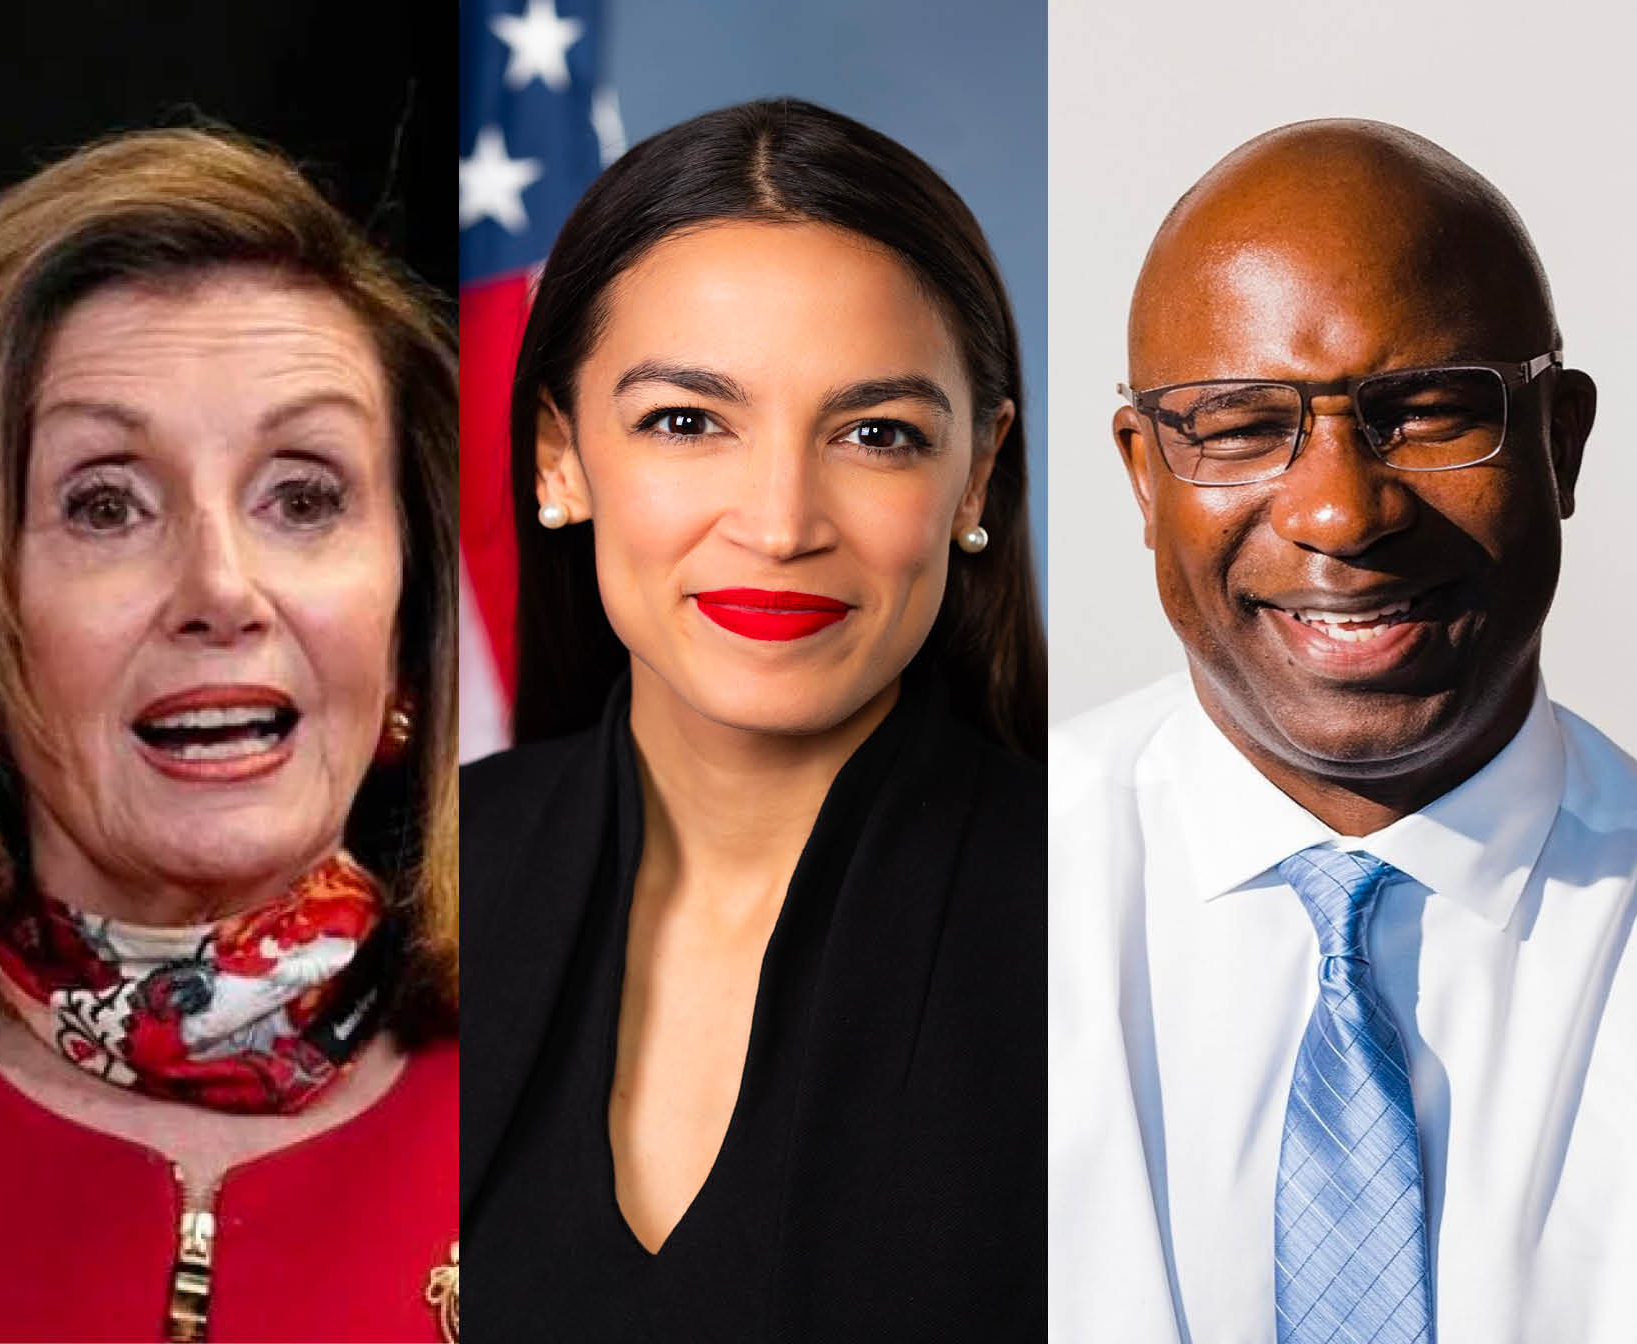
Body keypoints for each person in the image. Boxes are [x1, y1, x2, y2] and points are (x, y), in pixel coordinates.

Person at [463, 98, 1047, 1341]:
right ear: (559, 456)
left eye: (875, 434)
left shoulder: (1116, 918)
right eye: (687, 422)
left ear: (976, 476)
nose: (780, 523)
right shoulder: (416, 883)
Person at [0, 127, 459, 1343]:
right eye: (104, 503)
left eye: (303, 496)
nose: (222, 588)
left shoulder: (609, 1126)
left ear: (408, 626)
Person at [1050, 119, 1637, 1342]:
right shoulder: (971, 892)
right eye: (1239, 424)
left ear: (1561, 443)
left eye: (1424, 411)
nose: (1338, 510)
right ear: (1142, 479)